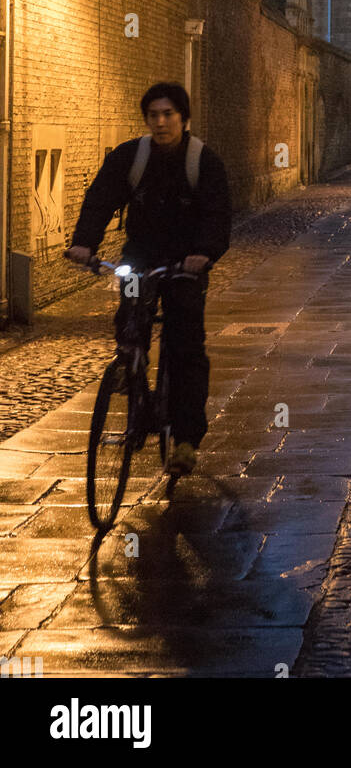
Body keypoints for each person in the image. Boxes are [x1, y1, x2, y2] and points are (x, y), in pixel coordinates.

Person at [66, 82, 231, 476]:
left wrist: (203, 253)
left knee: (186, 344)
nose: (160, 122)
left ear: (183, 118)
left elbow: (217, 213)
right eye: (153, 115)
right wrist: (85, 243)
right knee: (129, 315)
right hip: (140, 258)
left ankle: (186, 440)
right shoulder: (131, 156)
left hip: (184, 264)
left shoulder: (202, 161)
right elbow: (100, 198)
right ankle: (131, 373)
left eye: (168, 114)